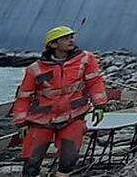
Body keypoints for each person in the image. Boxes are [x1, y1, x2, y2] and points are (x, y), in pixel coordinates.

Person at [12, 25, 107, 177]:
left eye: (71, 37)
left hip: (73, 117)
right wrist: (21, 122)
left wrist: (100, 105)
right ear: (53, 44)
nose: (71, 40)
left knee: (68, 161)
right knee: (31, 162)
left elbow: (95, 82)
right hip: (41, 121)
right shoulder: (35, 69)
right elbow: (24, 97)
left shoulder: (85, 59)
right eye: (66, 38)